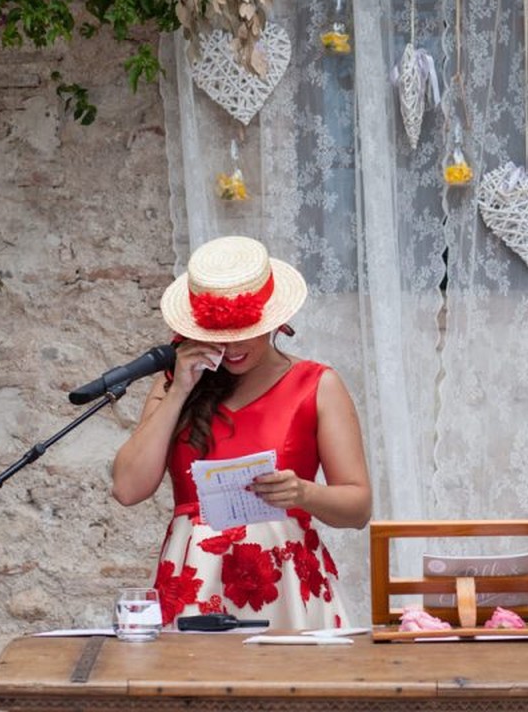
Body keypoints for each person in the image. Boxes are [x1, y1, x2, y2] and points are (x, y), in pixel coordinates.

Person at [111, 236, 371, 630]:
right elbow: (128, 489)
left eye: (245, 330)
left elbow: (359, 508)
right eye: (218, 333)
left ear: (273, 322)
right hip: (196, 578)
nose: (231, 346)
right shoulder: (173, 386)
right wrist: (179, 389)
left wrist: (303, 493)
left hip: (284, 582)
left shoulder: (317, 384)